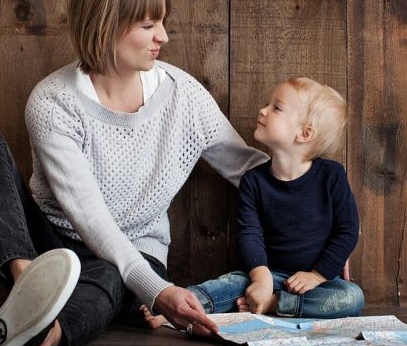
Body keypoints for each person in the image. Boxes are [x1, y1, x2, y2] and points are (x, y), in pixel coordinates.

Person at [0, 0, 268, 346]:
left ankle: (45, 333)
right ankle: (28, 283)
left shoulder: (183, 96)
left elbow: (249, 169)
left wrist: (322, 216)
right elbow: (89, 215)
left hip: (134, 253)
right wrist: (159, 293)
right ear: (107, 24)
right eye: (149, 25)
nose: (163, 37)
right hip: (50, 245)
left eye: (162, 23)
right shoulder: (52, 101)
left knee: (107, 275)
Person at [143, 77, 364, 326]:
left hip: (317, 282)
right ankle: (176, 307)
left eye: (276, 108)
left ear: (305, 133)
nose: (263, 110)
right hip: (267, 273)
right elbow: (250, 234)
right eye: (268, 104)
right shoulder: (254, 181)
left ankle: (275, 304)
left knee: (351, 297)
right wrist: (261, 279)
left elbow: (347, 230)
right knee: (229, 284)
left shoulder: (331, 176)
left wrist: (317, 275)